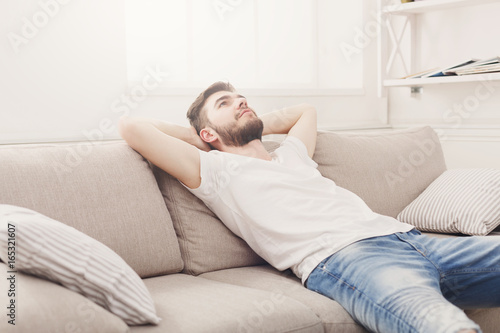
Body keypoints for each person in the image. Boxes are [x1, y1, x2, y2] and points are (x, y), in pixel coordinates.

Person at [119, 81, 500, 333]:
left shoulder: (292, 156)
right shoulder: (214, 170)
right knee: (443, 326)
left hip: (412, 238)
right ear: (207, 133)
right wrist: (203, 138)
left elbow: (305, 111)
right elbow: (132, 128)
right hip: (350, 259)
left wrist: (247, 122)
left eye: (241, 98)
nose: (240, 102)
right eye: (225, 103)